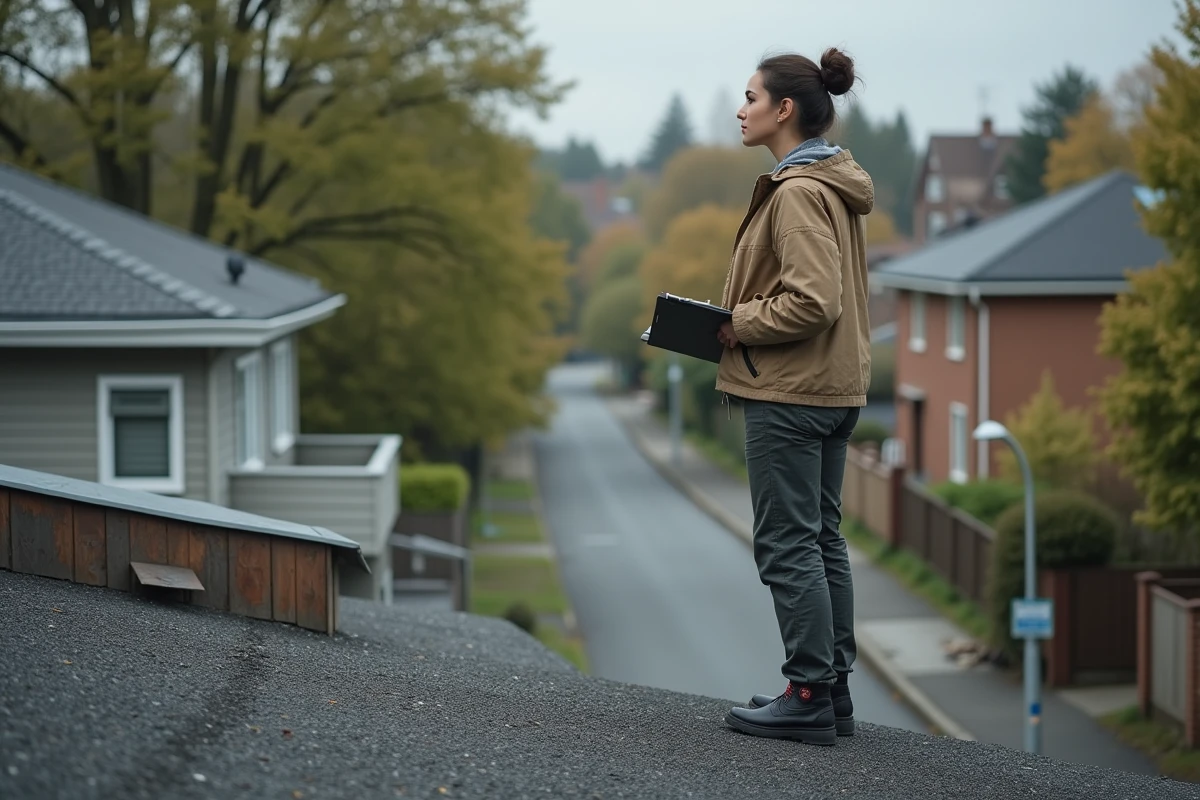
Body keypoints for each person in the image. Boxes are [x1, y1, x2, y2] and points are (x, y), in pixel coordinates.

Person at [715, 47, 874, 747]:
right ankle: (830, 691)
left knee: (787, 543)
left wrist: (732, 324)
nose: (740, 108)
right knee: (820, 538)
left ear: (784, 110)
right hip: (832, 388)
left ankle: (807, 691)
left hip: (793, 390)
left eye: (750, 97)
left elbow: (812, 300)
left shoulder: (801, 192)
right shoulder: (829, 185)